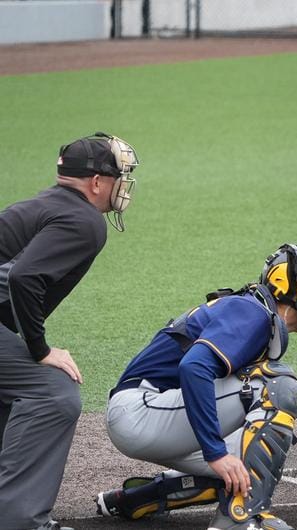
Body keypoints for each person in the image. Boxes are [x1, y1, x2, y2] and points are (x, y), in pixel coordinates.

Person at [94, 244, 297, 530]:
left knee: (252, 461)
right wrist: (216, 454)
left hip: (153, 416)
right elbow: (195, 367)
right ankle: (238, 518)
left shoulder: (259, 314)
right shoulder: (252, 313)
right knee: (274, 390)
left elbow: (282, 386)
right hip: (142, 409)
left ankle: (138, 499)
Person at [0, 132, 140, 530]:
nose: (122, 186)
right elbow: (24, 278)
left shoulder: (48, 203)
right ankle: (21, 521)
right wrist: (41, 349)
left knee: (12, 391)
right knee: (53, 393)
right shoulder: (84, 221)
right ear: (97, 182)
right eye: (119, 177)